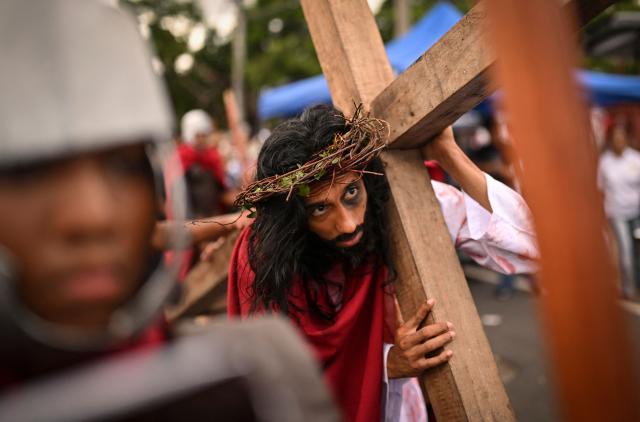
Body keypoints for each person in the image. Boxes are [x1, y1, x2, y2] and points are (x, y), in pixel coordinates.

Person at [0, 3, 337, 420]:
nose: (92, 216)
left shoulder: (263, 375)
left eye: (123, 166)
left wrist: (237, 216)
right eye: (31, 173)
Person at [228, 105, 538, 421]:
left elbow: (530, 245)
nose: (348, 224)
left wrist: (448, 152)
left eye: (351, 192)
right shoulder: (262, 262)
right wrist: (386, 363)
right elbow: (274, 383)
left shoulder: (394, 205)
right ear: (293, 218)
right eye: (320, 210)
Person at [598, 123, 640, 299]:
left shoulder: (635, 159)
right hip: (617, 213)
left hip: (637, 212)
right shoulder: (605, 162)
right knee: (626, 251)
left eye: (621, 138)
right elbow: (600, 187)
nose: (619, 141)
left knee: (637, 250)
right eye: (615, 138)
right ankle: (629, 289)